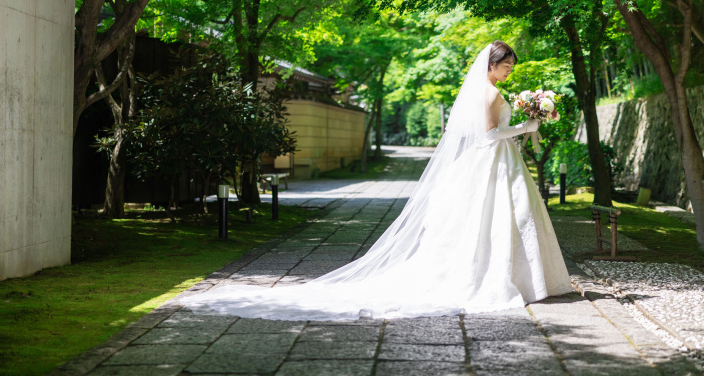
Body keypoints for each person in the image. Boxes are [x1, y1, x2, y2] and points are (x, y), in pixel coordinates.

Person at [185, 41, 572, 320]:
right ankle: (504, 278)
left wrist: (523, 123)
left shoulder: (492, 92)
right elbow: (488, 136)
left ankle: (524, 279)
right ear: (491, 64)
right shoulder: (488, 95)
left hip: (501, 163)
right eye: (506, 66)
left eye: (511, 68)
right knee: (495, 219)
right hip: (492, 161)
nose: (509, 71)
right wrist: (525, 125)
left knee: (512, 218)